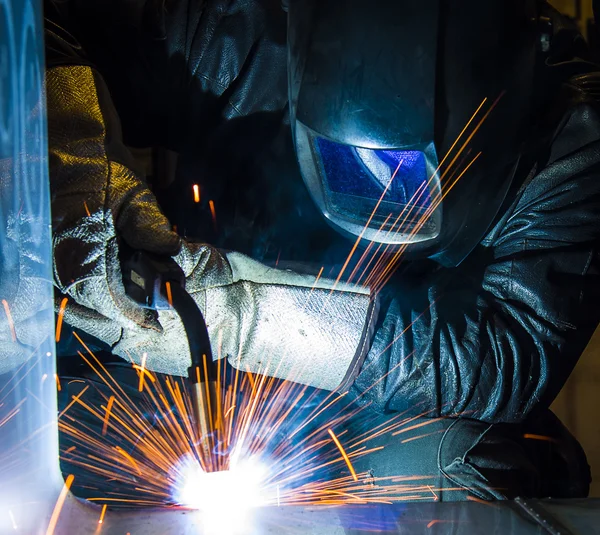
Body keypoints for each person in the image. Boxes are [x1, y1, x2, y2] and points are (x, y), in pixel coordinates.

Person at [44, 0, 600, 500]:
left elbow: (508, 356)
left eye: (404, 168)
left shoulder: (573, 140)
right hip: (185, 366)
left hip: (379, 397)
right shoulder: (238, 29)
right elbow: (43, 22)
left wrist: (241, 315)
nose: (379, 191)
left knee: (488, 459)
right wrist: (71, 176)